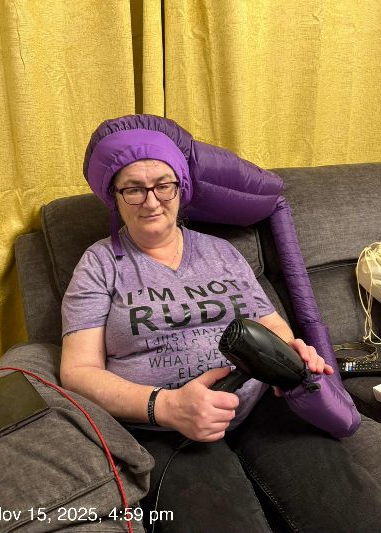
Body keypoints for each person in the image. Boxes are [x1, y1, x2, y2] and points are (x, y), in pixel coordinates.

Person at [61, 127, 381, 533]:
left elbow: (269, 323)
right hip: (162, 429)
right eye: (134, 189)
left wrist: (291, 352)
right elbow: (78, 371)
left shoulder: (221, 252)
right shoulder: (99, 264)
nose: (152, 201)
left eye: (163, 185)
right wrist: (166, 406)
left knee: (351, 513)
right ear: (115, 196)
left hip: (259, 407)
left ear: (181, 187)